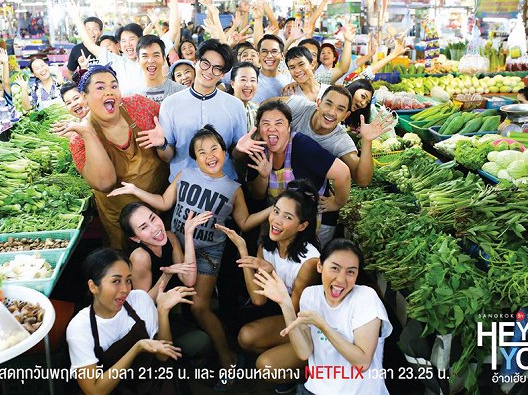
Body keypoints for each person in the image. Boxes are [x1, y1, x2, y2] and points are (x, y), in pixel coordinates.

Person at [109, 125, 270, 389]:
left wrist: (274, 208)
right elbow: (162, 202)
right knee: (183, 301)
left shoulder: (233, 188)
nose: (209, 155)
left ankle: (228, 358)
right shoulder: (185, 175)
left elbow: (245, 221)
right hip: (177, 243)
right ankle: (191, 353)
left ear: (224, 152)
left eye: (214, 148)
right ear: (194, 157)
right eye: (201, 151)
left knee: (198, 306)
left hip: (208, 251)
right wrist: (136, 192)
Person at [52, 65, 169, 249]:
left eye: (114, 86)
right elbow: (105, 183)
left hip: (162, 204)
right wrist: (89, 135)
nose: (109, 91)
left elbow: (171, 120)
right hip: (125, 224)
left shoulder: (138, 105)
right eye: (100, 87)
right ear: (84, 97)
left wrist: (165, 137)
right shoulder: (79, 140)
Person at [218, 180, 321, 392]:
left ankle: (313, 370)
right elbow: (258, 299)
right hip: (290, 318)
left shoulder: (309, 261)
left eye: (288, 217)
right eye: (276, 211)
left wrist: (271, 272)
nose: (277, 220)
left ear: (302, 226)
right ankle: (289, 368)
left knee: (266, 366)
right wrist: (243, 252)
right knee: (245, 337)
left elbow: (294, 311)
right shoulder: (267, 245)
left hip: (313, 326)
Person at [256, 238, 392, 395]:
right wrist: (285, 304)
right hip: (315, 389)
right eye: (334, 268)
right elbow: (304, 352)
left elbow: (362, 362)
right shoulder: (310, 295)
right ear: (320, 266)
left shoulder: (365, 298)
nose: (341, 279)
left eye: (350, 272)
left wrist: (323, 325)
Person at [66, 248, 193, 395]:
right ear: (93, 286)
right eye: (116, 281)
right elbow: (94, 390)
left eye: (128, 280)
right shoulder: (79, 328)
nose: (125, 289)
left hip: (153, 383)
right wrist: (136, 348)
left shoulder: (140, 299)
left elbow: (163, 356)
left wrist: (162, 312)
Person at [140, 39, 258, 183]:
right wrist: (162, 144)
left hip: (224, 186)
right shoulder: (170, 104)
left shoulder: (235, 106)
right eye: (205, 63)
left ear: (222, 74)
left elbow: (236, 154)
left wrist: (240, 150)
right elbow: (167, 157)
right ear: (196, 61)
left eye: (217, 68)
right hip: (182, 186)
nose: (209, 71)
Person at [247, 101, 351, 244]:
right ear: (259, 128)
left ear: (289, 127)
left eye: (279, 123)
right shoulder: (259, 150)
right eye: (266, 123)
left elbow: (343, 173)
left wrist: (337, 203)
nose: (272, 129)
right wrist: (263, 176)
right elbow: (258, 195)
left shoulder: (302, 145)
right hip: (280, 224)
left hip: (313, 223)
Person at [69, 0, 179, 96]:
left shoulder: (150, 57)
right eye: (123, 41)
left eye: (132, 39)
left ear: (140, 41)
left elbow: (174, 31)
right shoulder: (116, 61)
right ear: (120, 46)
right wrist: (77, 18)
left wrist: (174, 1)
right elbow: (89, 45)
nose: (128, 44)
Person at [272, 86, 394, 185]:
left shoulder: (340, 140)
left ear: (345, 116)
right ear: (318, 103)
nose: (332, 112)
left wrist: (367, 141)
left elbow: (362, 180)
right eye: (328, 104)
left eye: (340, 109)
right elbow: (266, 104)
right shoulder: (299, 106)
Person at [119, 202, 198, 301]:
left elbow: (189, 280)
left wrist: (188, 234)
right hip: (154, 312)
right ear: (135, 238)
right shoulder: (140, 257)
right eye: (144, 227)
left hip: (174, 300)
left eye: (153, 218)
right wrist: (166, 276)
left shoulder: (171, 237)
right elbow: (143, 303)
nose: (155, 228)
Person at [132, 35, 185, 103]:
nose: (151, 60)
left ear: (164, 59)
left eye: (156, 55)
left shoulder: (180, 91)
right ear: (138, 60)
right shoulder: (131, 95)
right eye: (145, 56)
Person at [251, 34, 292, 105]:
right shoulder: (250, 79)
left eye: (274, 51)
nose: (269, 56)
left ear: (282, 55)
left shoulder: (290, 80)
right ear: (258, 55)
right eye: (264, 51)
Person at [229, 62, 259, 132]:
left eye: (253, 80)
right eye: (243, 79)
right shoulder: (225, 110)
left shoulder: (256, 108)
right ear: (233, 84)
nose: (248, 84)